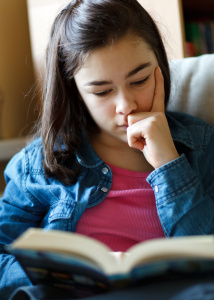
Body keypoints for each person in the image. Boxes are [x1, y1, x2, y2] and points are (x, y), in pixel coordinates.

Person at [1, 0, 214, 299]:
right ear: (74, 89)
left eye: (139, 80)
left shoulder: (202, 145)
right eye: (102, 91)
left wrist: (169, 164)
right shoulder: (38, 165)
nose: (125, 105)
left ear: (160, 67)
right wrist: (54, 283)